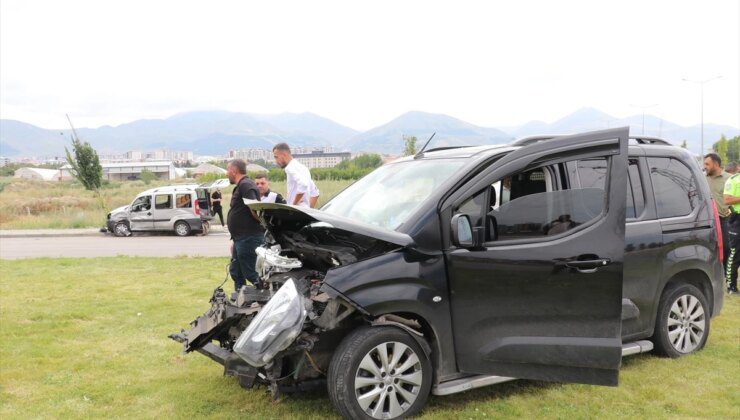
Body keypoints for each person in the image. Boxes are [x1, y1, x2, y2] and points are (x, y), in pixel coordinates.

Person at [226, 159, 264, 291]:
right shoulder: (241, 185)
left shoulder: (246, 185)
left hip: (249, 238)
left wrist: (260, 222)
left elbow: (255, 209)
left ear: (234, 171)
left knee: (251, 273)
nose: (227, 174)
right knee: (236, 271)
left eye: (227, 170)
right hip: (240, 238)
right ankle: (240, 299)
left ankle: (266, 297)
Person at [272, 143, 320, 208]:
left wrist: (293, 205)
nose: (276, 161)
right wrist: (310, 210)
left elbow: (303, 184)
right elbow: (315, 193)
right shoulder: (303, 168)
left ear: (284, 155)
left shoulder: (289, 168)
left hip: (296, 212)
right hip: (305, 212)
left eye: (276, 157)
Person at [704, 153, 731, 269]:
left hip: (725, 220)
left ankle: (725, 272)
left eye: (707, 164)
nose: (705, 166)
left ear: (716, 164)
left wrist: (731, 210)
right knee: (710, 247)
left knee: (726, 247)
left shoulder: (729, 178)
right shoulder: (703, 179)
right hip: (708, 220)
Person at [723, 168, 740, 294]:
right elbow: (727, 200)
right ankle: (731, 286)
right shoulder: (733, 180)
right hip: (737, 220)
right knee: (735, 253)